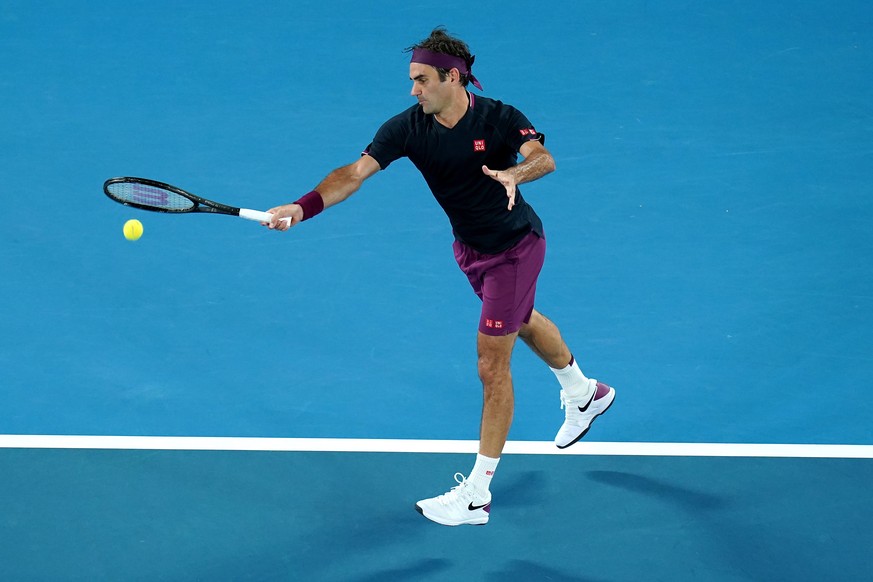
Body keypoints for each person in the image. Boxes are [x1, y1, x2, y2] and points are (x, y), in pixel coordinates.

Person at [264, 27, 615, 527]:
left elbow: (544, 157)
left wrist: (517, 173)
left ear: (453, 78)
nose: (414, 90)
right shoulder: (407, 128)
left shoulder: (499, 118)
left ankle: (476, 495)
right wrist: (303, 208)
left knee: (492, 367)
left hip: (514, 250)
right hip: (470, 252)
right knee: (522, 319)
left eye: (422, 80)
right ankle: (586, 393)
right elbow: (354, 173)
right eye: (412, 80)